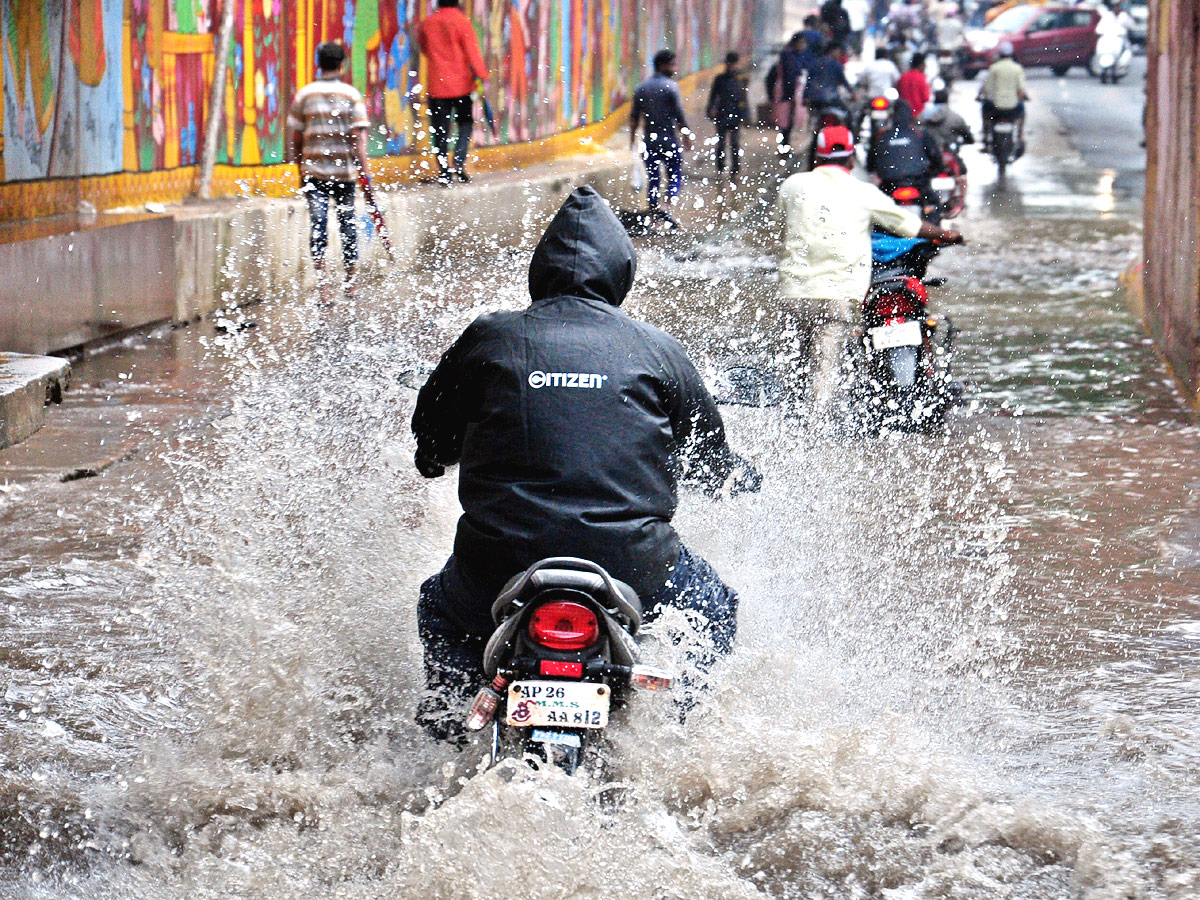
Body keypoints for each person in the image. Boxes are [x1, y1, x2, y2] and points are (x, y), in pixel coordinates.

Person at [411, 186, 761, 740]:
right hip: (634, 562)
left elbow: (431, 433)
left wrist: (433, 458)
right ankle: (683, 739)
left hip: (499, 561)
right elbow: (707, 455)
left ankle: (449, 736)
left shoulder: (491, 337)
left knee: (440, 610)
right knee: (714, 610)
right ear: (622, 272)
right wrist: (731, 476)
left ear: (540, 270)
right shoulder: (657, 348)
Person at [775, 125, 962, 411]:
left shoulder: (791, 187)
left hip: (793, 294)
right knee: (823, 379)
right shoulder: (863, 192)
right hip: (835, 297)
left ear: (816, 159)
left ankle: (787, 426)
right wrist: (949, 234)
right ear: (851, 160)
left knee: (794, 375)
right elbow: (910, 225)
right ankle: (816, 437)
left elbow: (782, 229)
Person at [286, 41, 372, 303]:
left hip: (313, 174)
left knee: (318, 227)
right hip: (344, 174)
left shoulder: (304, 95)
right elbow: (358, 138)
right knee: (348, 226)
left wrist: (300, 168)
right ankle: (350, 284)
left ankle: (324, 289)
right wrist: (365, 174)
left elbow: (297, 136)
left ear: (318, 63)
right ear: (342, 65)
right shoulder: (351, 95)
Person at [415, 0, 488, 184]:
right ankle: (458, 162)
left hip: (437, 86)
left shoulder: (427, 23)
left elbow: (424, 48)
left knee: (440, 131)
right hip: (462, 85)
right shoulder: (461, 21)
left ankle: (444, 172)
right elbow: (472, 51)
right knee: (465, 123)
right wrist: (481, 75)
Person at [631, 50, 694, 211]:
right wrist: (686, 136)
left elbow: (634, 118)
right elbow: (679, 116)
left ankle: (653, 210)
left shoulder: (642, 88)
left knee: (653, 177)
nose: (675, 68)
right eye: (672, 65)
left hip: (649, 141)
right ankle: (667, 207)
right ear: (662, 65)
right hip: (668, 139)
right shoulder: (671, 87)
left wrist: (632, 141)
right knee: (674, 174)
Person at [867, 98, 944, 213]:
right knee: (936, 208)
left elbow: (870, 164)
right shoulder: (919, 133)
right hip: (917, 182)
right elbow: (936, 158)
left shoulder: (881, 135)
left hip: (890, 185)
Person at [706, 52, 750, 179]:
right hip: (722, 114)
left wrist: (746, 116)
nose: (730, 66)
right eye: (728, 64)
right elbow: (713, 97)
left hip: (735, 115)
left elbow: (744, 98)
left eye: (733, 64)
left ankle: (735, 170)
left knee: (735, 143)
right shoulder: (719, 79)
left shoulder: (742, 79)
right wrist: (710, 110)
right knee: (721, 143)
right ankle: (720, 168)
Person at [978, 42, 1028, 147]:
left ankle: (986, 135)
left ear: (1000, 54)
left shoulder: (994, 68)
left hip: (996, 106)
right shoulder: (1017, 68)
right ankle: (1020, 136)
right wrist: (1025, 96)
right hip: (1012, 106)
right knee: (1022, 112)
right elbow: (1021, 88)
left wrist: (981, 96)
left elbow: (987, 88)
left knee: (984, 110)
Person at [921, 86, 974, 156]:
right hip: (949, 153)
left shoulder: (923, 116)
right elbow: (968, 136)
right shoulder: (955, 117)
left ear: (934, 99)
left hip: (929, 155)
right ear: (947, 99)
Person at [896, 51, 931, 116]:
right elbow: (926, 98)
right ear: (921, 65)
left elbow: (898, 92)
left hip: (904, 113)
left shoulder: (903, 77)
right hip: (918, 113)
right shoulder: (922, 78)